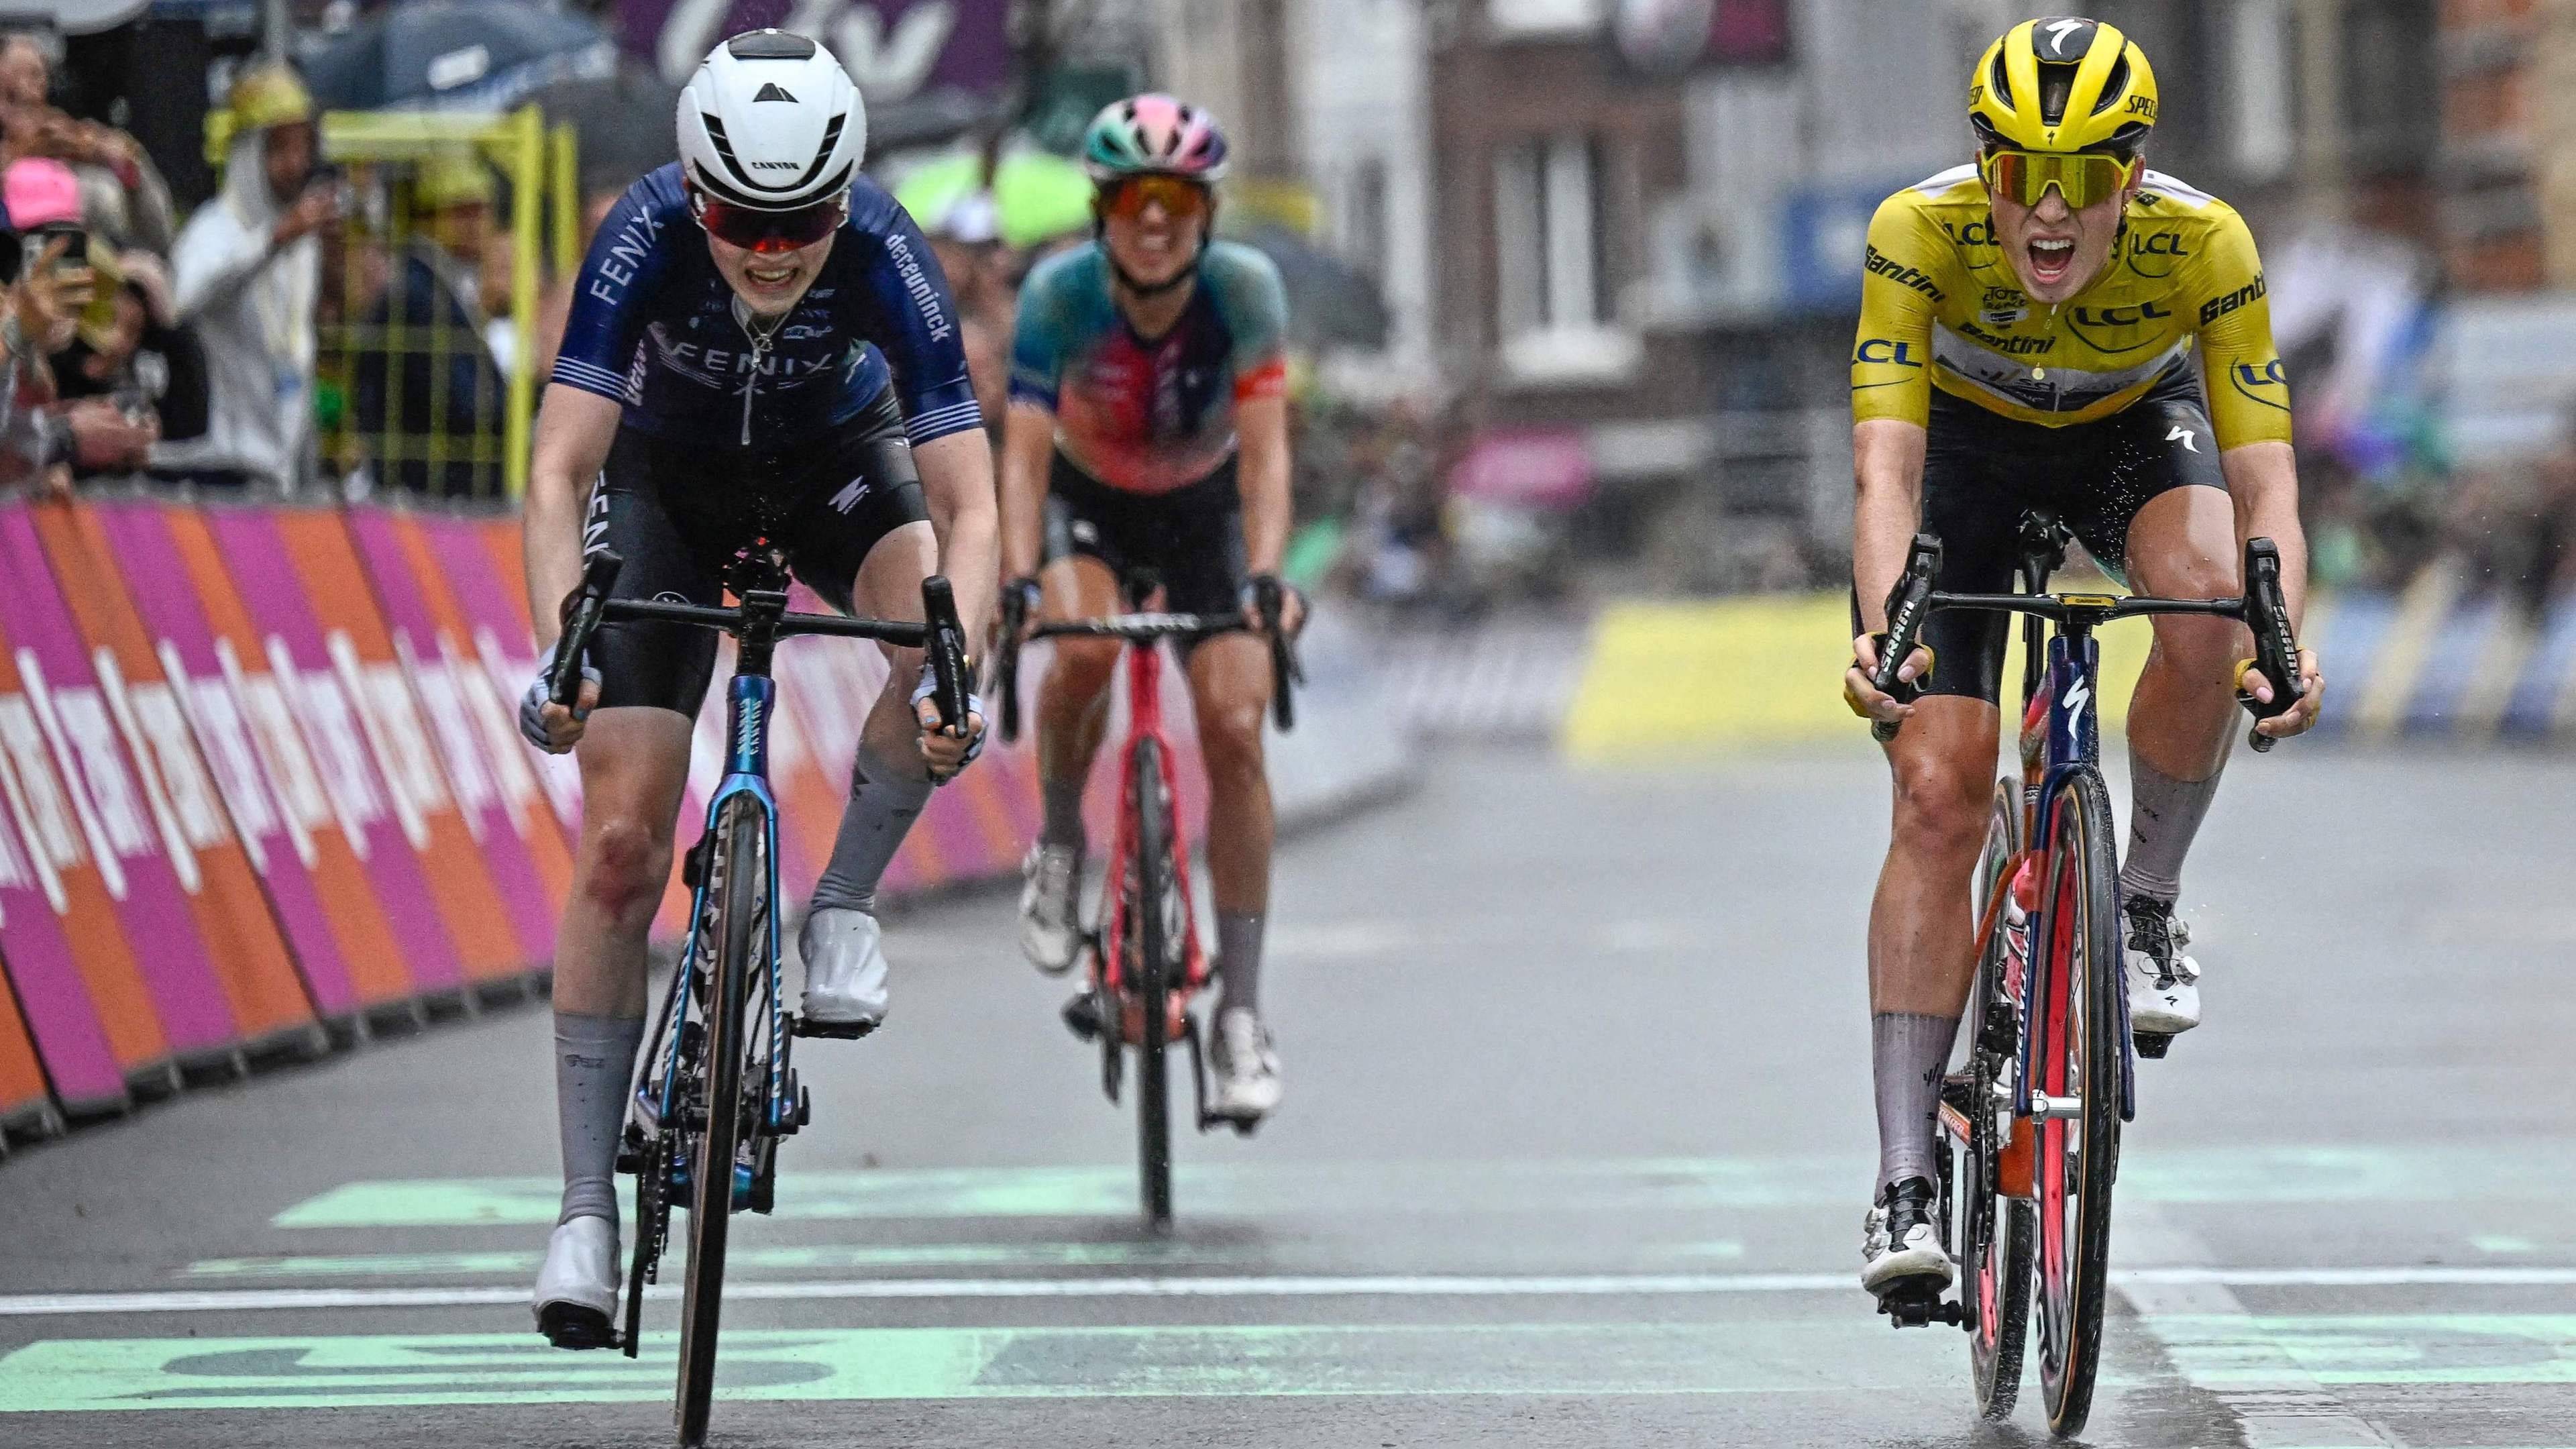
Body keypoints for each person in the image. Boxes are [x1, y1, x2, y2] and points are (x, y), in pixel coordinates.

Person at [515, 30, 994, 1350]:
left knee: (943, 629)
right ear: (692, 191)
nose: (771, 251)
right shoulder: (642, 230)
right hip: (664, 486)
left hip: (835, 465)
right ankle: (582, 1215)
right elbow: (559, 469)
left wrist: (963, 654)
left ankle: (837, 906)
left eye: (801, 223)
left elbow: (970, 489)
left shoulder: (889, 244)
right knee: (619, 843)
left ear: (842, 199)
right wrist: (565, 641)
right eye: (739, 220)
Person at [1840, 17, 2326, 1302]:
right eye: (2018, 175)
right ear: (1980, 164)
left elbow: (2266, 473)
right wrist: (1885, 628)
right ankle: (1900, 1182)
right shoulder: (1916, 232)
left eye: (2087, 178)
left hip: (2130, 430)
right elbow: (1885, 468)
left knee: (2212, 600)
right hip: (1968, 451)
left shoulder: (2206, 241)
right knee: (1938, 790)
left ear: (2136, 171)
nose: (2049, 213)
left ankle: (2149, 907)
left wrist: (2283, 638)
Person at [1001, 95, 1299, 1123]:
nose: (1156, 219)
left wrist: (1264, 574)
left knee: (1235, 729)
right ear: (1102, 210)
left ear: (1207, 209)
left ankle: (1242, 1017)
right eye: (1135, 196)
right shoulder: (1057, 296)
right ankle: (1056, 847)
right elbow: (1023, 458)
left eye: (1176, 196)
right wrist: (1014, 577)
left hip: (1204, 512)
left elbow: (1266, 460)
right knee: (1079, 655)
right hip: (1087, 506)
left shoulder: (1246, 290)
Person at [153, 64, 335, 492]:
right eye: (282, 149)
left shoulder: (303, 238)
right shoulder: (214, 229)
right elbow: (183, 299)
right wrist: (270, 242)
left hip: (279, 472)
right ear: (250, 152)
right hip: (216, 468)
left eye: (303, 148)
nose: (297, 164)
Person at [352, 150, 505, 497]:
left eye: (481, 210)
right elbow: (466, 402)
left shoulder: (435, 284)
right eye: (461, 212)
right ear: (425, 218)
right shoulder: (418, 295)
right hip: (429, 492)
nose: (477, 223)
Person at [0, 30, 176, 254]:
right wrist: (21, 153)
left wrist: (127, 168)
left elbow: (159, 236)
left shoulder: (80, 140)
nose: (28, 89)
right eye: (11, 93)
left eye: (36, 75)